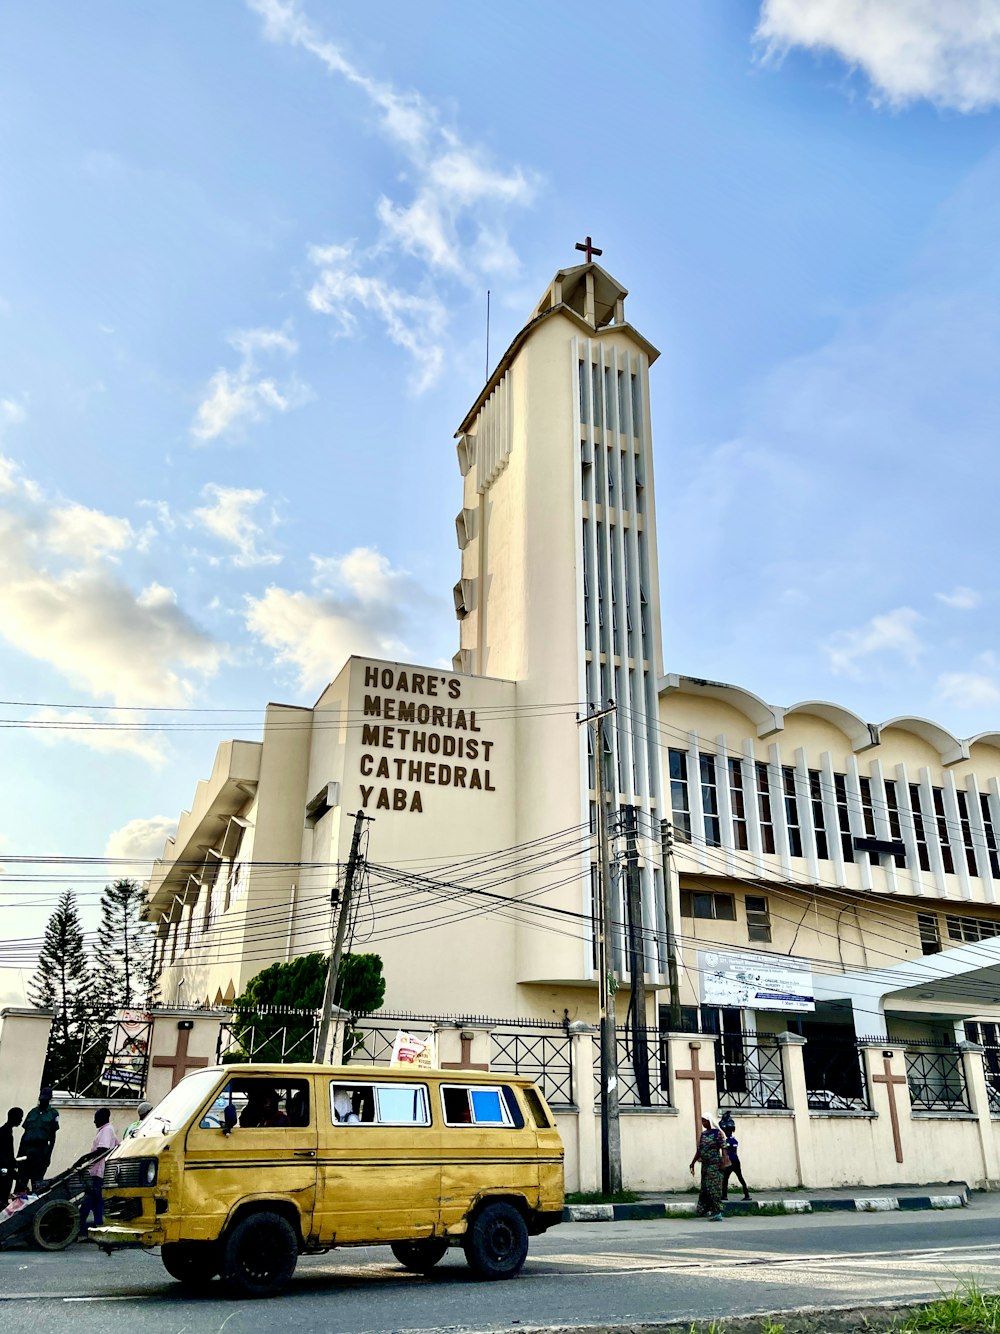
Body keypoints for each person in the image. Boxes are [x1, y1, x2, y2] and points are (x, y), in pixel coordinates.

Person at [78, 1108, 119, 1238]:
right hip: (97, 1171)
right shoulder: (105, 1130)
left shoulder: (107, 1130)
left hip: (99, 1172)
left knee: (90, 1200)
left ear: (103, 1118)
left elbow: (103, 1149)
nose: (94, 1121)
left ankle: (83, 1227)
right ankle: (95, 1228)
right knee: (95, 1201)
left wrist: (84, 1158)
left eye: (96, 1118)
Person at [16, 1088, 59, 1192]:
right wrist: (19, 1154)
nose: (42, 1101)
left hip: (41, 1150)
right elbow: (25, 1133)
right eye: (41, 1098)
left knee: (37, 1184)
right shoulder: (32, 1112)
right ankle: (15, 1207)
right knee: (21, 1182)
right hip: (26, 1150)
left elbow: (52, 1137)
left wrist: (48, 1155)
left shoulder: (53, 1114)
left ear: (50, 1099)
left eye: (45, 1099)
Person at [689, 1115, 726, 1221]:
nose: (703, 1123)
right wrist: (693, 1162)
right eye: (702, 1121)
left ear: (709, 1121)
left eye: (705, 1121)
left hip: (714, 1164)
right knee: (704, 1187)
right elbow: (699, 1150)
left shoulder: (717, 1133)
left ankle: (718, 1211)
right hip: (705, 1164)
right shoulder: (703, 1135)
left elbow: (723, 1147)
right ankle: (703, 1209)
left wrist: (724, 1160)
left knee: (713, 1187)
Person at [721, 1118, 751, 1202]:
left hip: (730, 1162)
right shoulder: (735, 1141)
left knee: (725, 1178)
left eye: (727, 1132)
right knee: (740, 1178)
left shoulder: (727, 1141)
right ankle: (747, 1195)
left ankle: (724, 1196)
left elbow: (725, 1148)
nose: (726, 1133)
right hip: (736, 1161)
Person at [0, 1108, 23, 1208]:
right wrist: (11, 1167)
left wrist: (13, 1162)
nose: (21, 1120)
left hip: (6, 1167)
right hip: (3, 1169)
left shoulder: (7, 1131)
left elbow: (8, 1152)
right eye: (20, 1117)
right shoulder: (4, 1133)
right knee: (2, 1195)